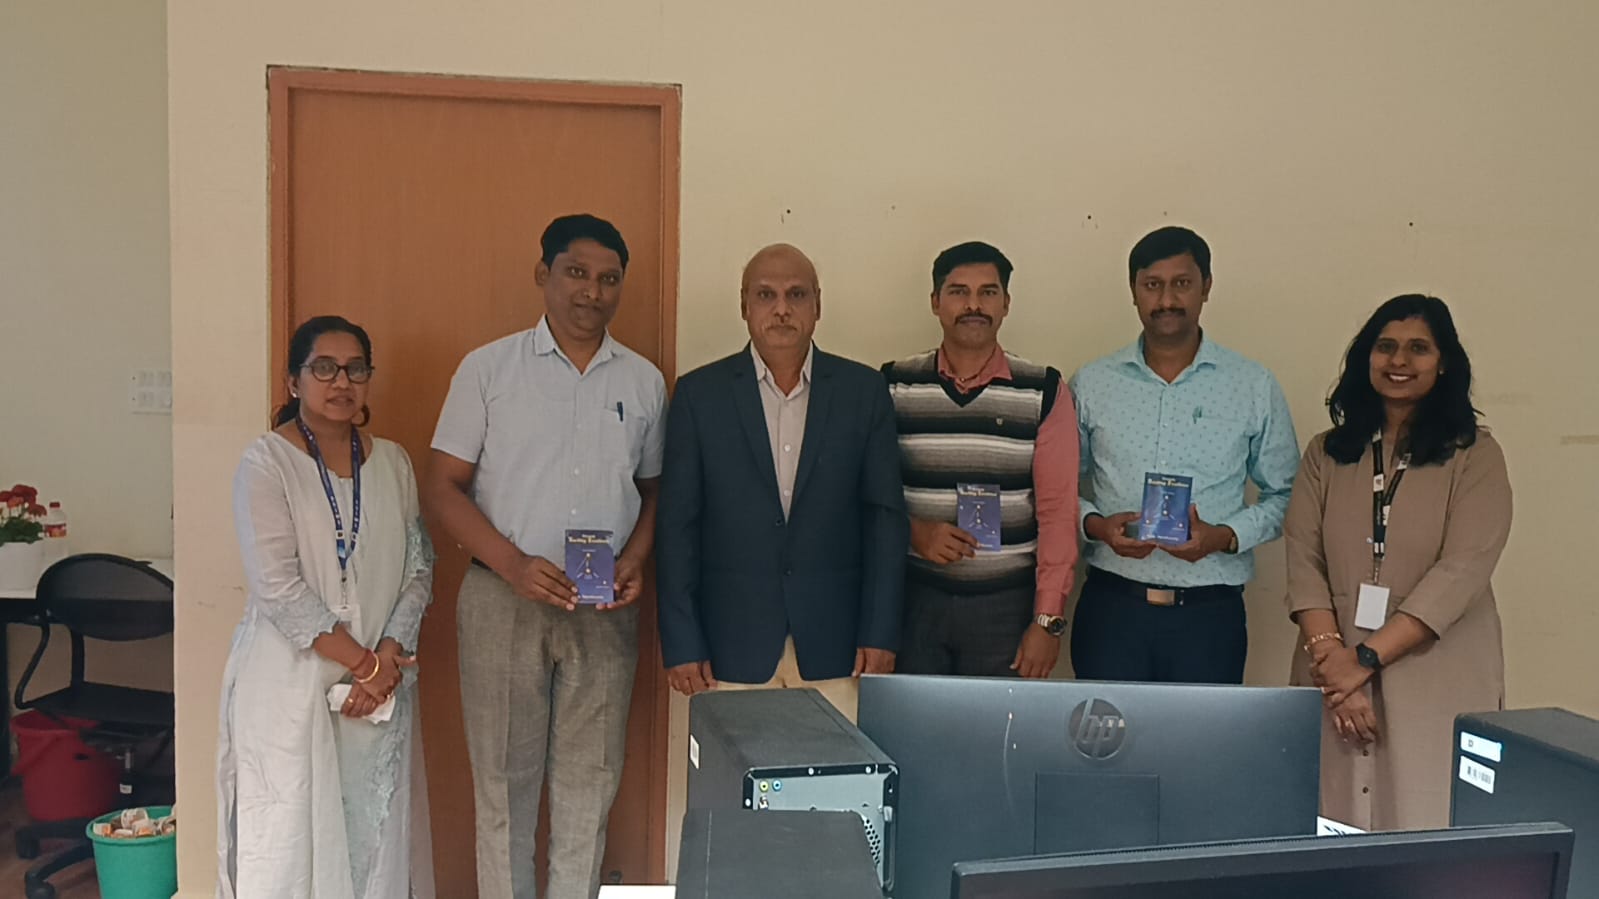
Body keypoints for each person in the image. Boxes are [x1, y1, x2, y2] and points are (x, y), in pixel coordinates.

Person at [425, 214, 666, 899]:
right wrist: (512, 564)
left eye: (609, 279)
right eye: (576, 272)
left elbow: (656, 492)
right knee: (502, 786)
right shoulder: (488, 369)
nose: (592, 291)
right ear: (543, 274)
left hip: (603, 607)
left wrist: (636, 557)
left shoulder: (643, 382)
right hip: (502, 599)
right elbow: (441, 486)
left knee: (591, 786)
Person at [218, 315, 436, 899]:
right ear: (294, 381)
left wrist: (386, 660)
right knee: (290, 847)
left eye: (355, 369)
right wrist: (365, 665)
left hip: (379, 694)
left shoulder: (393, 463)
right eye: (324, 368)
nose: (341, 381)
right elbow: (278, 587)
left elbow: (419, 570)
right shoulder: (266, 462)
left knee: (376, 844)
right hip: (290, 687)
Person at [1286, 294, 1511, 830]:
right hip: (1330, 669)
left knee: (1425, 819)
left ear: (1444, 362)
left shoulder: (1475, 455)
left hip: (1435, 668)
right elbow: (1303, 560)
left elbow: (1461, 571)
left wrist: (1362, 661)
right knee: (1330, 819)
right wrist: (1336, 665)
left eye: (1418, 348)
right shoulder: (1326, 453)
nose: (1399, 361)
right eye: (1386, 346)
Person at [657, 243, 906, 720]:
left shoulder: (863, 392)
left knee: (835, 770)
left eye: (796, 294)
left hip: (838, 645)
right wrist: (682, 639)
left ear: (818, 305)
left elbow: (884, 521)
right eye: (765, 295)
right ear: (744, 306)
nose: (782, 309)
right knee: (735, 771)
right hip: (730, 644)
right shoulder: (699, 396)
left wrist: (881, 632)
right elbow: (677, 528)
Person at [1071, 226, 1298, 684]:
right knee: (1106, 732)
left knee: (1204, 734)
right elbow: (1055, 489)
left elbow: (1288, 494)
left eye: (1182, 283)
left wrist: (1226, 536)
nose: (1167, 300)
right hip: (1113, 610)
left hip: (1208, 615)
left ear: (1206, 287)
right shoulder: (1092, 383)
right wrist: (1095, 526)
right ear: (1133, 290)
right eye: (1152, 285)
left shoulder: (1251, 385)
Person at [880, 241, 1078, 678]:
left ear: (1006, 303)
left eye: (988, 292)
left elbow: (1058, 513)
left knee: (998, 724)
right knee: (911, 722)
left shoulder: (1043, 390)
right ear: (935, 302)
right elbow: (868, 495)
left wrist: (1047, 621)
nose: (974, 305)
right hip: (913, 603)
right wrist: (914, 531)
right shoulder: (893, 385)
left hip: (1006, 609)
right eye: (958, 292)